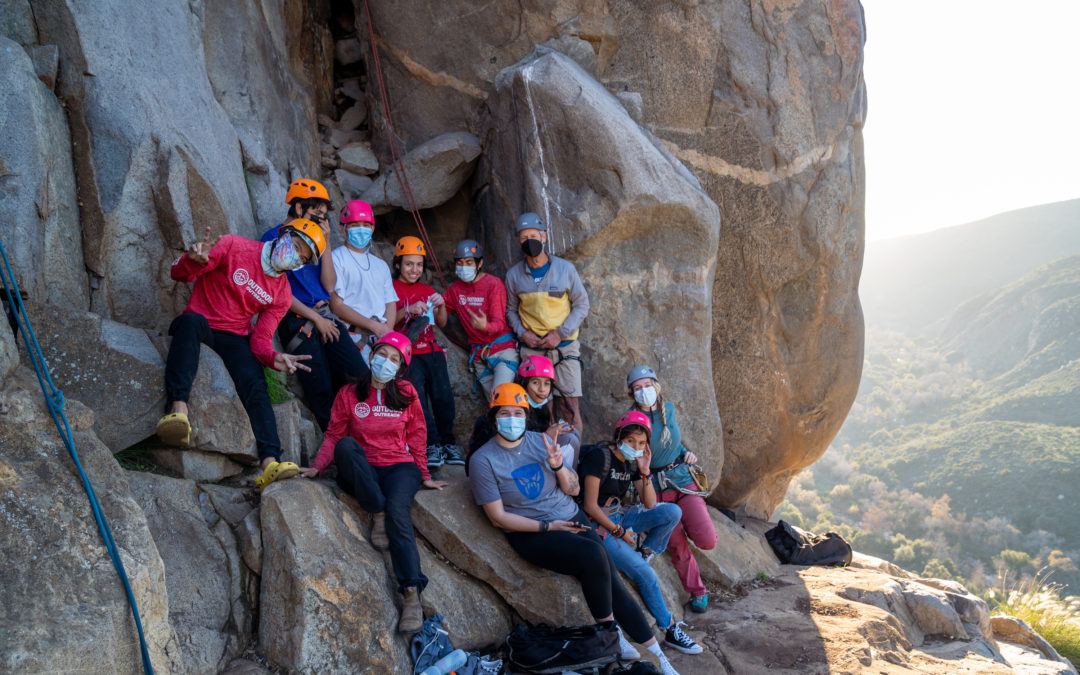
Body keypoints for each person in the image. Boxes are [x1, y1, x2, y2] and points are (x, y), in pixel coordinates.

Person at [468, 384, 681, 675]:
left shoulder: (540, 441)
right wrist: (548, 526)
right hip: (533, 532)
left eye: (518, 413)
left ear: (526, 415)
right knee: (594, 554)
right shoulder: (483, 460)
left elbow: (573, 488)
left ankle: (659, 654)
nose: (512, 419)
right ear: (494, 418)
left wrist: (558, 466)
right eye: (505, 413)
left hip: (571, 514)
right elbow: (498, 517)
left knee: (610, 575)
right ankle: (609, 632)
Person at [300, 332, 448, 633]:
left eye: (394, 359)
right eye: (383, 354)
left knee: (399, 514)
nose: (386, 362)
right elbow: (333, 434)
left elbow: (418, 436)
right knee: (346, 447)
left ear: (401, 367)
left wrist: (425, 475)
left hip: (399, 467)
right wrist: (317, 467)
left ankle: (411, 595)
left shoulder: (406, 392)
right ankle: (375, 511)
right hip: (363, 469)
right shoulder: (350, 392)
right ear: (371, 355)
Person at [155, 224, 318, 491]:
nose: (296, 258)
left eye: (303, 259)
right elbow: (179, 274)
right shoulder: (234, 245)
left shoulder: (282, 293)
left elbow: (261, 340)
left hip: (235, 335)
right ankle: (178, 411)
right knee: (189, 323)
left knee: (254, 383)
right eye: (297, 247)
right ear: (284, 236)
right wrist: (192, 260)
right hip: (201, 321)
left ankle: (270, 462)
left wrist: (273, 358)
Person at [580, 411, 703, 655]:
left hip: (621, 513)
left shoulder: (632, 462)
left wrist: (645, 471)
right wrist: (621, 532)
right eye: (630, 441)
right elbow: (589, 506)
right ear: (618, 438)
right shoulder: (599, 457)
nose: (636, 447)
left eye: (641, 443)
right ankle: (669, 629)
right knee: (645, 574)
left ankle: (646, 551)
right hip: (599, 524)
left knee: (671, 513)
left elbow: (649, 504)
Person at [260, 179, 367, 431]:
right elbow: (277, 292)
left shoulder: (316, 240)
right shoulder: (273, 237)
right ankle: (337, 448)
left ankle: (366, 434)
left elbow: (329, 286)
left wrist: (327, 243)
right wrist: (316, 319)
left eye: (323, 216)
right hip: (297, 318)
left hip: (325, 314)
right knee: (320, 388)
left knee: (360, 376)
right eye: (316, 214)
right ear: (298, 209)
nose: (321, 220)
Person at [627, 365, 718, 613]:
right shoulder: (633, 420)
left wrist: (685, 452)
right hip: (656, 489)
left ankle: (692, 523)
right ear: (632, 394)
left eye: (647, 385)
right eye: (637, 388)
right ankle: (698, 591)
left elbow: (671, 440)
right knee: (677, 545)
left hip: (682, 480)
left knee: (708, 541)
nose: (643, 391)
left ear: (656, 386)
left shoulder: (668, 409)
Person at [505, 213, 589, 433]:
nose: (529, 241)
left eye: (533, 235)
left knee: (569, 407)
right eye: (523, 238)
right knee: (541, 407)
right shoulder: (514, 275)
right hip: (532, 349)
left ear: (544, 237)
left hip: (564, 347)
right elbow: (511, 311)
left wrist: (560, 334)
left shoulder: (565, 269)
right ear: (518, 242)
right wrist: (523, 333)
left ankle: (571, 461)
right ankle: (546, 459)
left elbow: (582, 304)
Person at [390, 235, 462, 468]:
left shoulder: (427, 288)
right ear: (398, 264)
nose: (414, 269)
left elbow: (440, 323)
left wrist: (440, 304)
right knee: (418, 400)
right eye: (409, 264)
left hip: (431, 351)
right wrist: (407, 309)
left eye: (419, 264)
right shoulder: (391, 288)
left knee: (444, 399)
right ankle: (430, 444)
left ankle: (447, 443)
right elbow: (388, 322)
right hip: (409, 354)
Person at [466, 355, 579, 466]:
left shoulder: (540, 409)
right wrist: (547, 436)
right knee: (570, 439)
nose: (542, 389)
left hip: (525, 458)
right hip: (501, 465)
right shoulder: (505, 412)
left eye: (546, 383)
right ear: (523, 383)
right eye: (535, 382)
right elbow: (511, 447)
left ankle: (564, 476)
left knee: (572, 434)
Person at [443, 239, 517, 401]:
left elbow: (499, 324)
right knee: (493, 406)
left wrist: (485, 326)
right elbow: (441, 313)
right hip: (479, 357)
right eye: (460, 263)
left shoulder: (493, 284)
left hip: (502, 352)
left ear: (480, 263)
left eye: (469, 262)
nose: (464, 267)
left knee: (500, 401)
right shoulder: (454, 290)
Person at [325, 200, 397, 362]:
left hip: (380, 338)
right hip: (352, 336)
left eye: (366, 225)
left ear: (372, 228)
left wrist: (387, 331)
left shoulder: (381, 265)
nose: (361, 229)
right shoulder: (336, 259)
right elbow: (336, 305)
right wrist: (374, 326)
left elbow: (390, 302)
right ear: (342, 228)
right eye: (355, 224)